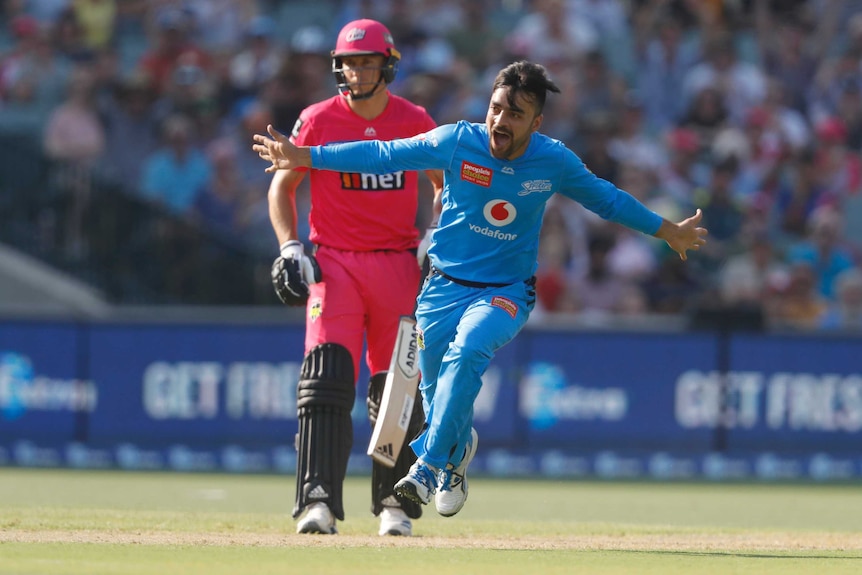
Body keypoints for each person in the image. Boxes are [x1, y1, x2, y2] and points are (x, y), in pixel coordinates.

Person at [253, 60, 707, 520]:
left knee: (468, 351)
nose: (500, 121)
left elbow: (607, 199)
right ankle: (456, 451)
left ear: (536, 122)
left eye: (515, 114)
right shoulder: (456, 142)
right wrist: (307, 157)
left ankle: (427, 469)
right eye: (496, 109)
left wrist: (666, 230)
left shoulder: (553, 160)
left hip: (504, 291)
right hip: (441, 290)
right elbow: (385, 155)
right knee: (439, 399)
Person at [264, 19, 444, 537]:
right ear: (336, 66)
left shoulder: (414, 119)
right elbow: (282, 189)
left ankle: (392, 501)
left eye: (366, 62)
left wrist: (434, 234)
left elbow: (443, 183)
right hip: (335, 263)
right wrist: (290, 248)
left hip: (397, 264)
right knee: (325, 380)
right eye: (348, 62)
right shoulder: (317, 119)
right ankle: (316, 500)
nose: (356, 71)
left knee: (398, 389)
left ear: (386, 64)